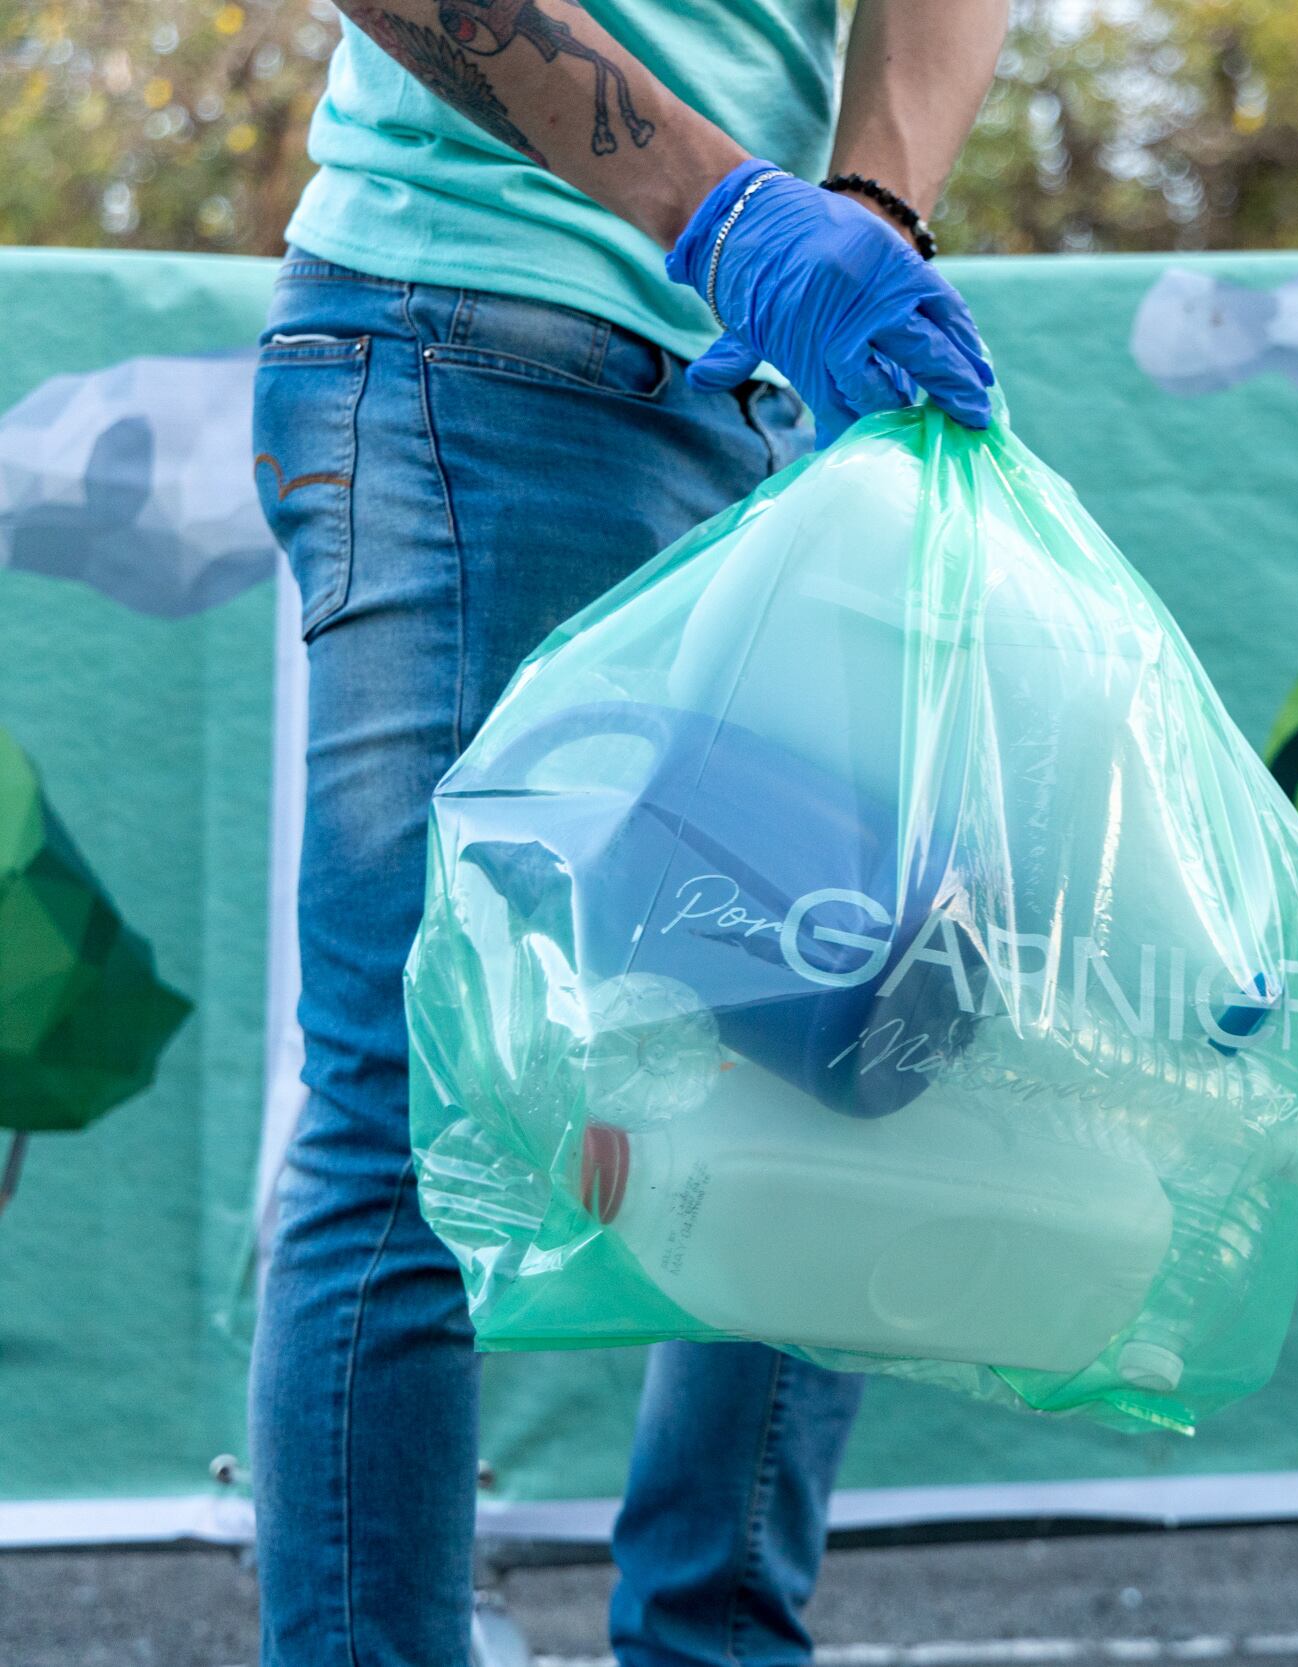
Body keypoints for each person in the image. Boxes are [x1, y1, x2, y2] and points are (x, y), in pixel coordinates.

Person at [247, 3, 1006, 1663]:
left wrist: (867, 216)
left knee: (845, 1057)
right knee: (422, 1093)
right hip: (468, 333)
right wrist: (719, 210)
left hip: (776, 386)